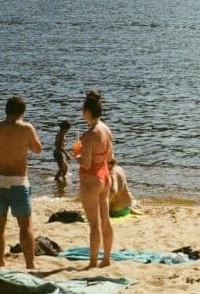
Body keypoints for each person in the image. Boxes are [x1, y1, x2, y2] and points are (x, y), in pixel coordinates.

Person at [0, 95, 43, 270]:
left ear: (5, 110)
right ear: (23, 112)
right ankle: (30, 264)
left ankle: (0, 262)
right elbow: (37, 149)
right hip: (18, 182)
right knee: (25, 225)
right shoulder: (27, 128)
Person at [78, 90, 115, 268]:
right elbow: (110, 158)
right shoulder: (106, 130)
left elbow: (85, 164)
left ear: (87, 112)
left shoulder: (88, 135)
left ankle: (93, 261)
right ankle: (106, 258)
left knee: (94, 224)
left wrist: (75, 155)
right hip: (105, 175)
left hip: (91, 178)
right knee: (105, 220)